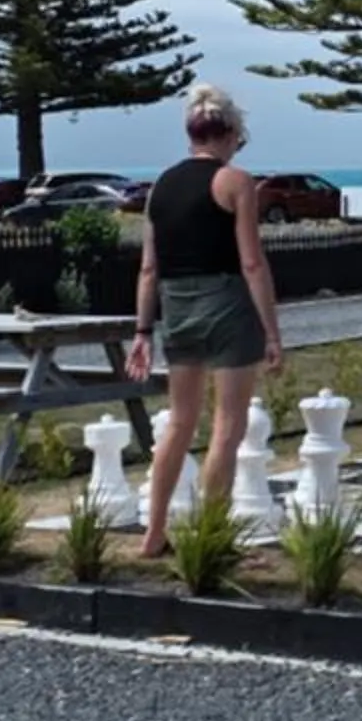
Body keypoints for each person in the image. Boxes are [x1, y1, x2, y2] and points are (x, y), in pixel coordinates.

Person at [125, 83, 283, 555]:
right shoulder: (235, 181)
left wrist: (142, 331)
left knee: (179, 423)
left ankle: (154, 533)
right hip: (227, 304)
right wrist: (272, 333)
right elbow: (251, 262)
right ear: (229, 133)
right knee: (227, 427)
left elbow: (148, 268)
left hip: (176, 308)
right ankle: (211, 541)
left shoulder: (160, 187)